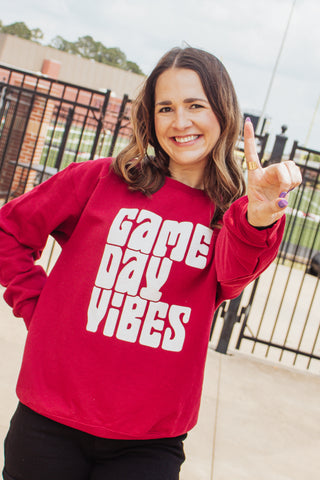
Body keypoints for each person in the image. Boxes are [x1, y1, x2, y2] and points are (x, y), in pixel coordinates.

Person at [0, 46, 301, 480]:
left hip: (148, 443)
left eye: (195, 105)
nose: (180, 122)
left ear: (223, 111)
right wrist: (37, 306)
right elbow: (9, 230)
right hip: (49, 423)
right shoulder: (101, 179)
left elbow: (233, 278)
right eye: (166, 108)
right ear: (151, 118)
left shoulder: (233, 215)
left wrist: (255, 215)